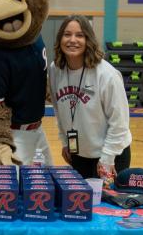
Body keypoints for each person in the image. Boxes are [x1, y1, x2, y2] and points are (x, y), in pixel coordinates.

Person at [49, 15, 132, 180]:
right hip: (78, 153)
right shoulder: (55, 69)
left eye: (80, 35)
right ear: (60, 39)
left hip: (111, 154)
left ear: (88, 40)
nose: (73, 40)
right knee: (81, 204)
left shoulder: (107, 74)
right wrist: (66, 142)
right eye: (67, 34)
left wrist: (107, 158)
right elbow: (60, 111)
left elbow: (120, 123)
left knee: (106, 205)